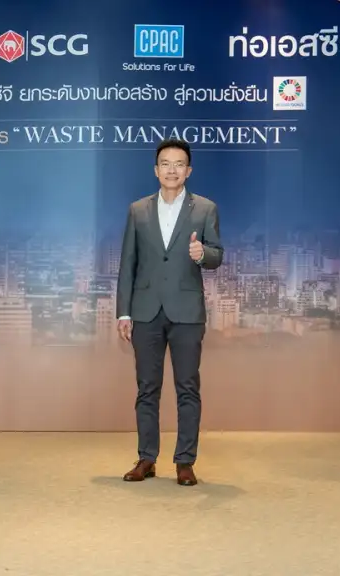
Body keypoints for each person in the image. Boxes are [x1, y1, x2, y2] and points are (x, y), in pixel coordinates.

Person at [115, 138, 223, 486]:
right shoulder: (138, 210)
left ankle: (185, 462)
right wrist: (123, 313)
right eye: (165, 163)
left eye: (179, 164)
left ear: (188, 170)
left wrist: (202, 254)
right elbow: (128, 264)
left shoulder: (205, 208)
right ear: (156, 170)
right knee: (147, 388)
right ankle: (146, 458)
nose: (172, 170)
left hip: (187, 312)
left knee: (187, 388)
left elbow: (217, 255)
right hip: (145, 311)